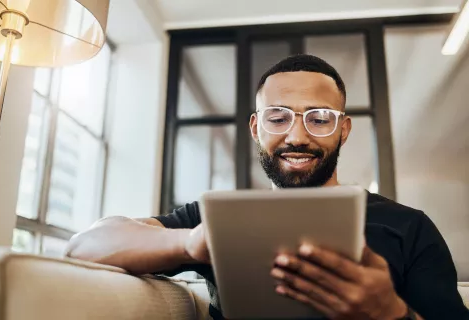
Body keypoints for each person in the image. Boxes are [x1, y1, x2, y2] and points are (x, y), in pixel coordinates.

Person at [66, 55, 469, 320]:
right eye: (278, 117)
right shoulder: (216, 220)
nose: (298, 135)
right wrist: (192, 243)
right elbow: (85, 246)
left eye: (320, 118)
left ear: (343, 130)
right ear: (257, 129)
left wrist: (391, 314)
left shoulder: (409, 227)